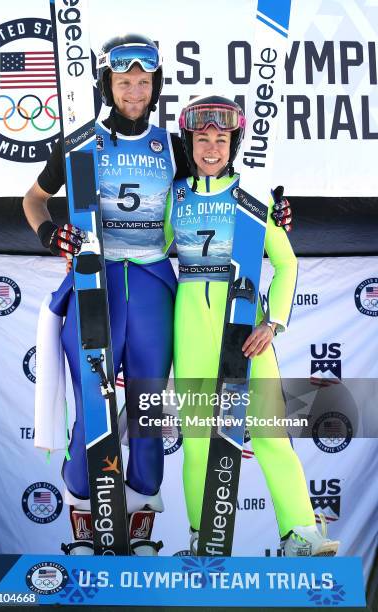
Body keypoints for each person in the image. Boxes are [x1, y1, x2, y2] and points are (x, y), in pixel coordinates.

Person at [26, 34, 291, 556]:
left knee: (147, 406)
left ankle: (141, 519)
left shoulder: (174, 145)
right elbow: (34, 200)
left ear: (156, 86)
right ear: (108, 83)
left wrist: (276, 216)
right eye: (124, 82)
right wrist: (45, 233)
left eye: (143, 82)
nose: (133, 91)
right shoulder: (80, 142)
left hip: (151, 282)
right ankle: (86, 518)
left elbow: (223, 187)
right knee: (92, 400)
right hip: (92, 281)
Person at [170, 95, 339, 557]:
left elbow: (285, 264)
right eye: (202, 138)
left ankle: (301, 534)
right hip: (191, 326)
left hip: (245, 325)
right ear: (189, 142)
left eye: (220, 140)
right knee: (198, 439)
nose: (210, 148)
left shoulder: (254, 196)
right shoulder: (176, 195)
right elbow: (144, 249)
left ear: (233, 143)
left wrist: (274, 323)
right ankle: (202, 538)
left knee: (268, 432)